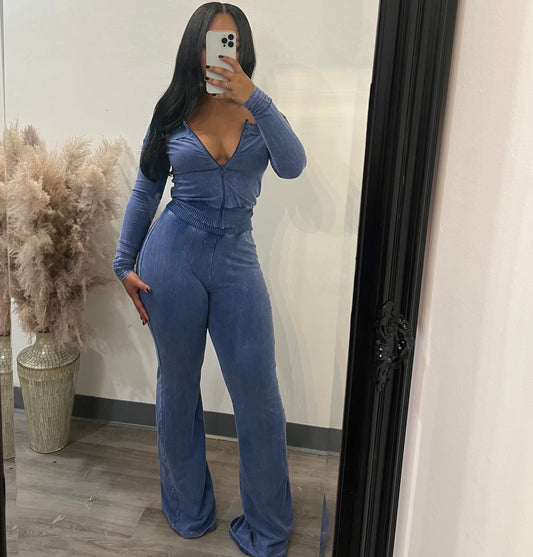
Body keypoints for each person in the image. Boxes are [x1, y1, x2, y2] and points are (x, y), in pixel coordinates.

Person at [113, 3, 306, 556]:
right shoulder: (172, 109)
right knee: (178, 387)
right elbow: (146, 189)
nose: (223, 53)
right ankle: (188, 511)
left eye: (233, 42)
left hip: (237, 257)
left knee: (259, 395)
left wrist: (254, 98)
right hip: (173, 256)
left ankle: (268, 528)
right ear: (195, 48)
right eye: (214, 43)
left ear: (244, 49)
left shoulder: (259, 111)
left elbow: (293, 165)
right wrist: (123, 263)